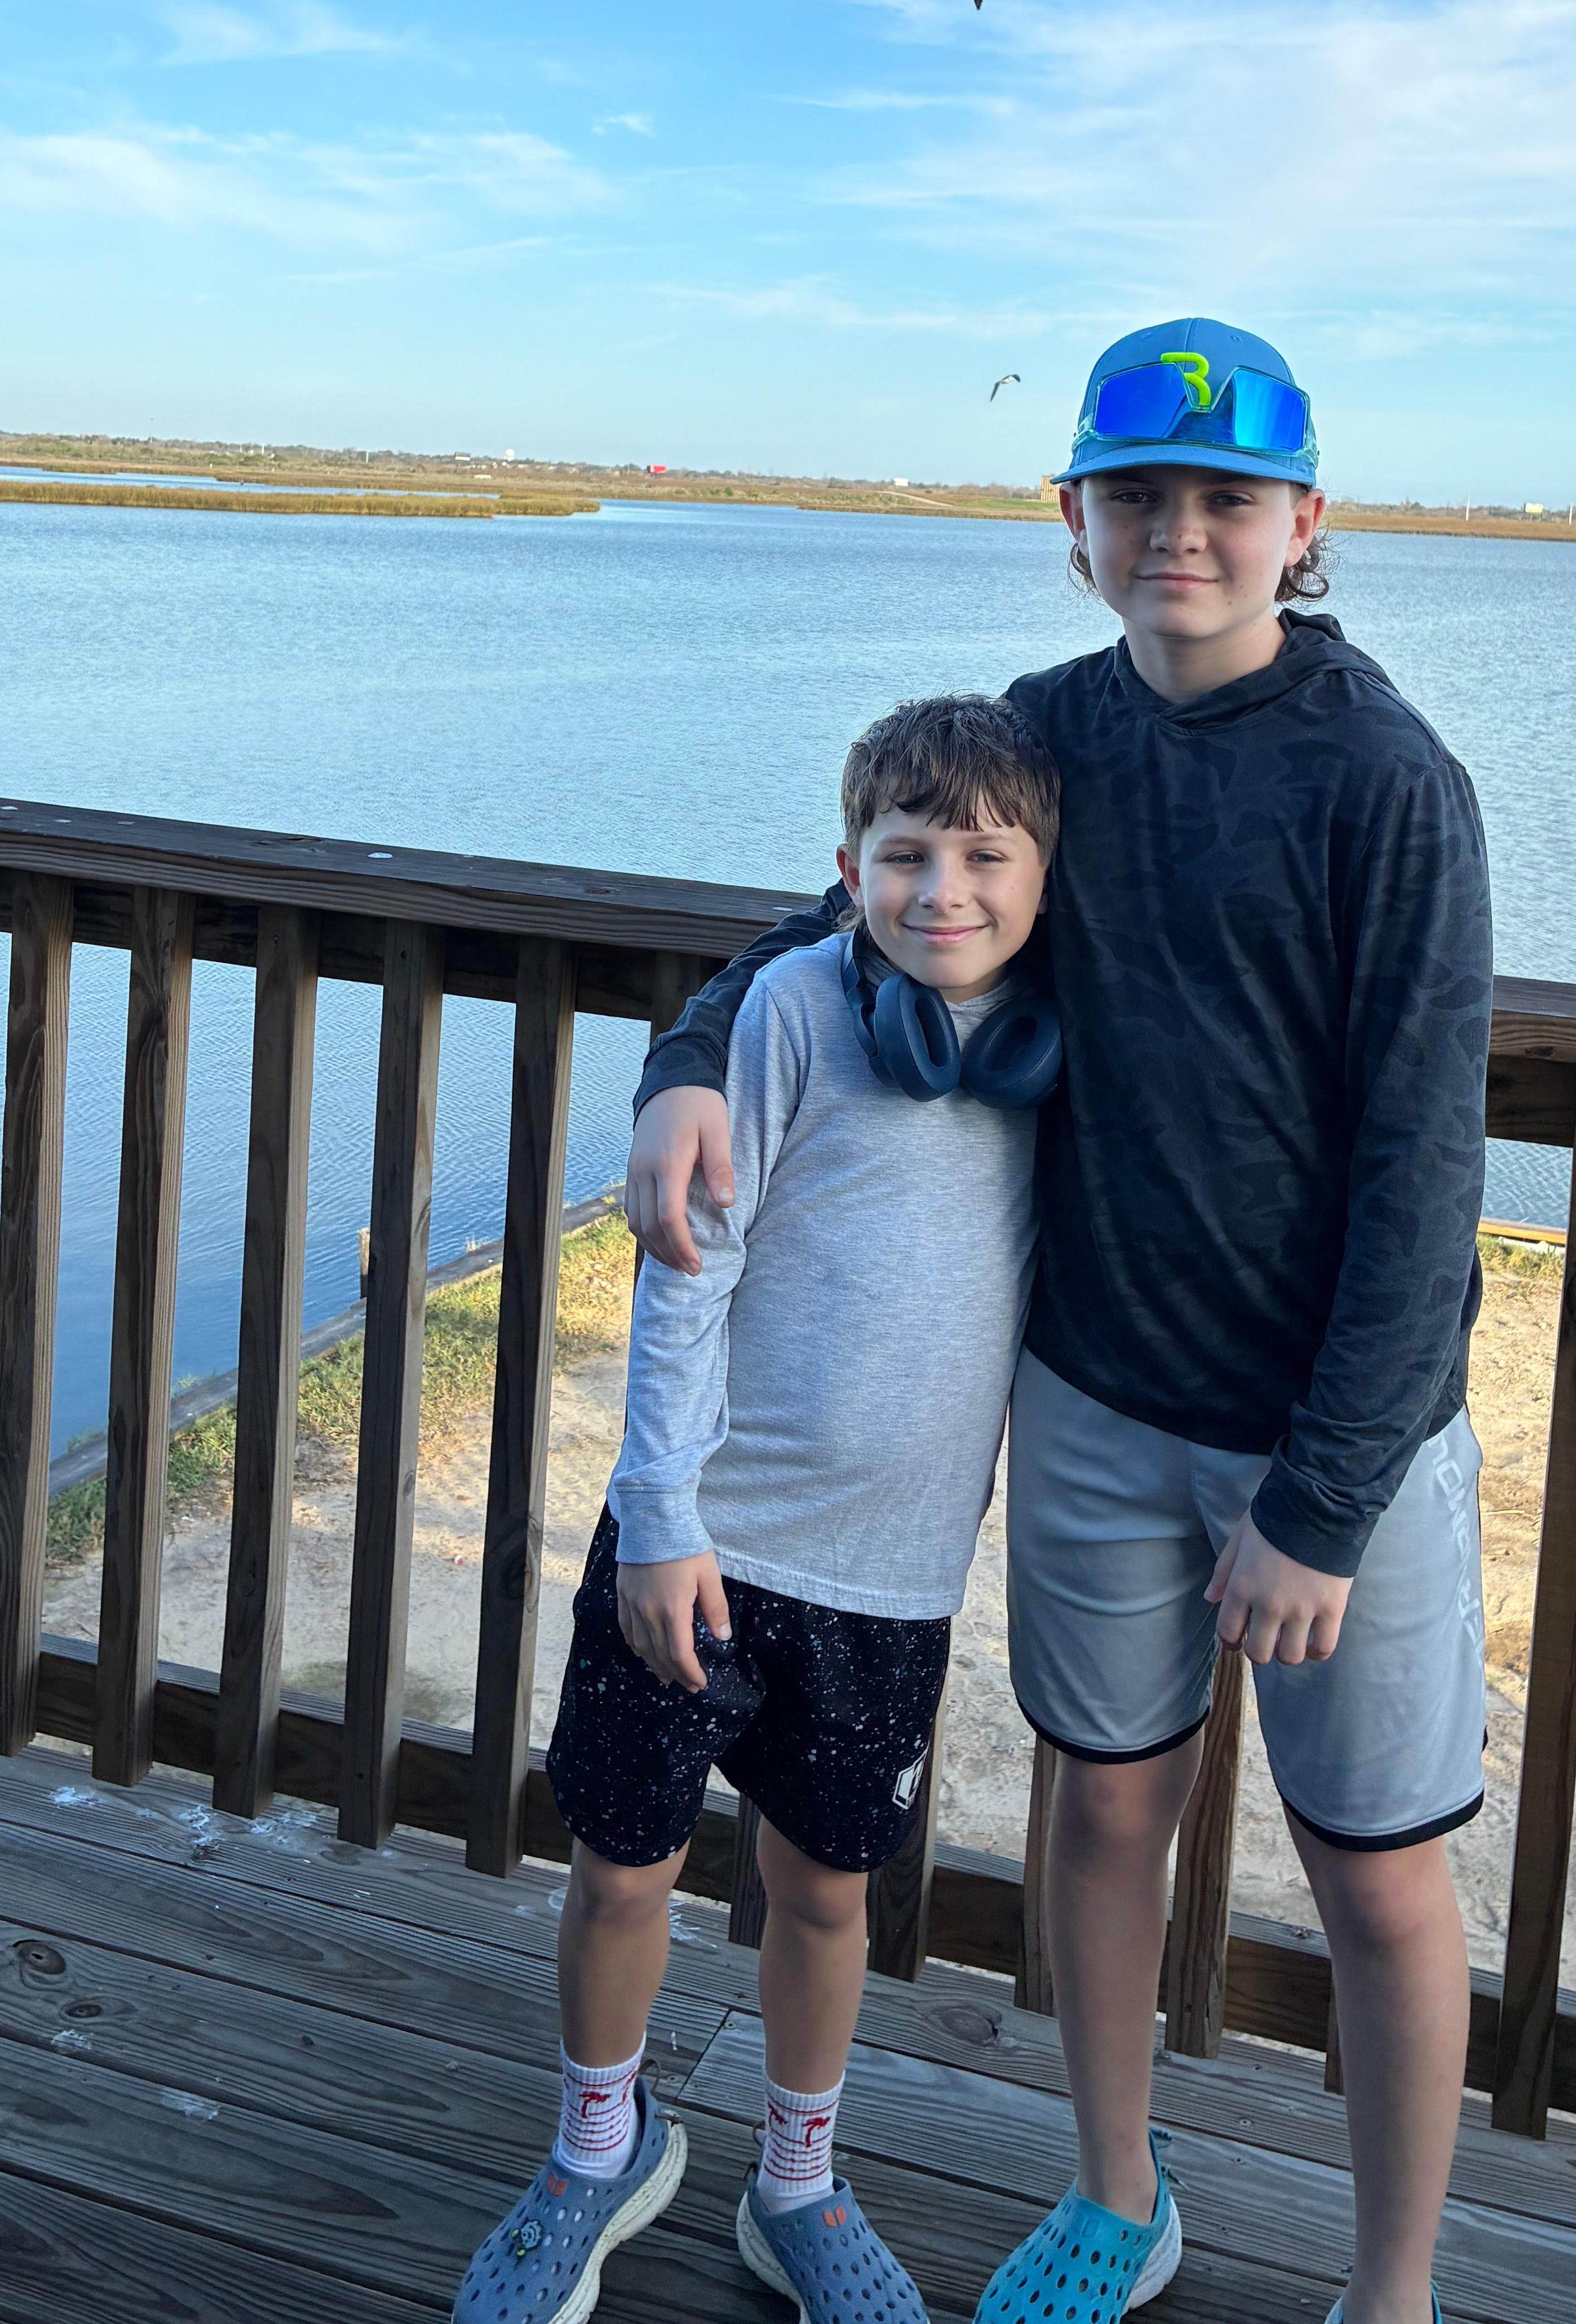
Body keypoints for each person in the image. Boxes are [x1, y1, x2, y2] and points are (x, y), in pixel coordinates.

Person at [627, 318, 1491, 2324]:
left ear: (1302, 524)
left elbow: (1423, 1163)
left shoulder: (1385, 780)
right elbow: (839, 915)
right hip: (1094, 1396)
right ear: (1075, 525)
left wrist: (1322, 1500)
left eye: (1222, 498)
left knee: (1373, 1872)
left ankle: (1392, 2289)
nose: (1177, 532)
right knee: (1104, 1810)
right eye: (1133, 496)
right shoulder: (1045, 734)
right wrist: (688, 1058)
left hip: (1332, 1442)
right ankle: (1118, 2195)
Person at [453, 691, 1063, 2324]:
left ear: (1042, 877)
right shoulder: (793, 1010)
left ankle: (797, 2178)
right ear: (846, 872)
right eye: (906, 855)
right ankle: (599, 2145)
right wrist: (659, 1512)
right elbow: (688, 1275)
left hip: (893, 1581)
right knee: (620, 1868)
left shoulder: (1055, 1044)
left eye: (986, 857)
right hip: (704, 1549)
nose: (944, 891)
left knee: (827, 1892)